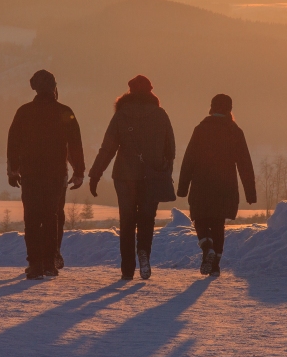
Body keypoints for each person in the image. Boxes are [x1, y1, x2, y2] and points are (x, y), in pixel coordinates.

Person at [89, 75, 175, 280]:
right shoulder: (161, 115)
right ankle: (144, 253)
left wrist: (95, 174)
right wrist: (165, 173)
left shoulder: (121, 116)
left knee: (127, 221)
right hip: (152, 176)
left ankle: (127, 269)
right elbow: (170, 149)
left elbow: (107, 148)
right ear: (150, 92)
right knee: (146, 220)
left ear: (129, 92)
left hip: (124, 177)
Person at [7, 70, 84, 280]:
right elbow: (75, 144)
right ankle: (50, 262)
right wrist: (79, 171)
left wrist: (13, 169)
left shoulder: (24, 112)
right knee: (52, 216)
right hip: (56, 174)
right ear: (53, 88)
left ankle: (35, 264)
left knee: (31, 218)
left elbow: (13, 143)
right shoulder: (64, 111)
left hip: (31, 173)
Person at [177, 94, 256, 276]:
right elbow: (245, 163)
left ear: (211, 108)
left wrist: (183, 187)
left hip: (201, 184)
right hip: (225, 186)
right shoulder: (235, 131)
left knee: (200, 218)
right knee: (218, 223)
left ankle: (206, 248)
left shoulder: (201, 129)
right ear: (229, 110)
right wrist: (250, 192)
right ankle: (215, 266)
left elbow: (189, 159)